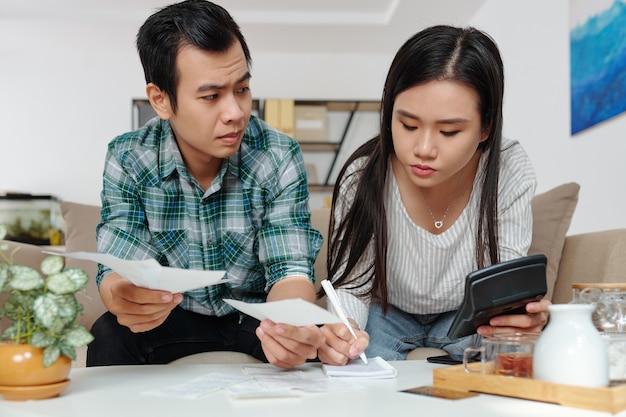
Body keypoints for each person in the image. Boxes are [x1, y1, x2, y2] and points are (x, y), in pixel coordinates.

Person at [87, 0, 324, 369]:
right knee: (108, 332)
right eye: (211, 96)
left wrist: (289, 326)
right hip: (173, 316)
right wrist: (122, 296)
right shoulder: (129, 157)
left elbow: (289, 269)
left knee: (304, 338)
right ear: (161, 100)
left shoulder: (278, 154)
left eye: (242, 89)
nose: (235, 112)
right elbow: (118, 264)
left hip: (255, 317)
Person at [317, 25, 551, 365]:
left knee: (512, 360)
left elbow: (503, 285)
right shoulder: (363, 176)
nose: (423, 149)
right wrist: (343, 330)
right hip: (385, 312)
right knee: (348, 367)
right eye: (408, 125)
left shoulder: (508, 169)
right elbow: (352, 287)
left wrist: (517, 322)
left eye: (449, 131)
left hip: (468, 315)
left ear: (486, 128)